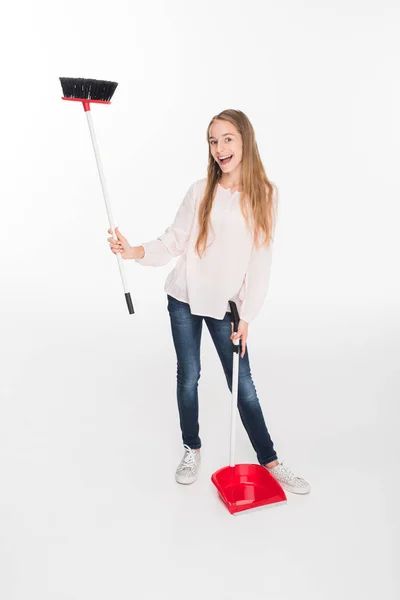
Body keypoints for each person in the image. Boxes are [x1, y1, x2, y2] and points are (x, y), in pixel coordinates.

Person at [107, 109, 310, 495]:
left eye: (227, 138)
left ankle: (271, 461)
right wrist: (132, 251)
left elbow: (260, 258)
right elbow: (173, 241)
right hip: (183, 296)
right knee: (189, 375)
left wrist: (247, 315)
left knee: (243, 385)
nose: (219, 148)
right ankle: (191, 447)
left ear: (245, 140)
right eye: (213, 141)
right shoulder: (200, 190)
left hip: (225, 306)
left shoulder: (265, 194)